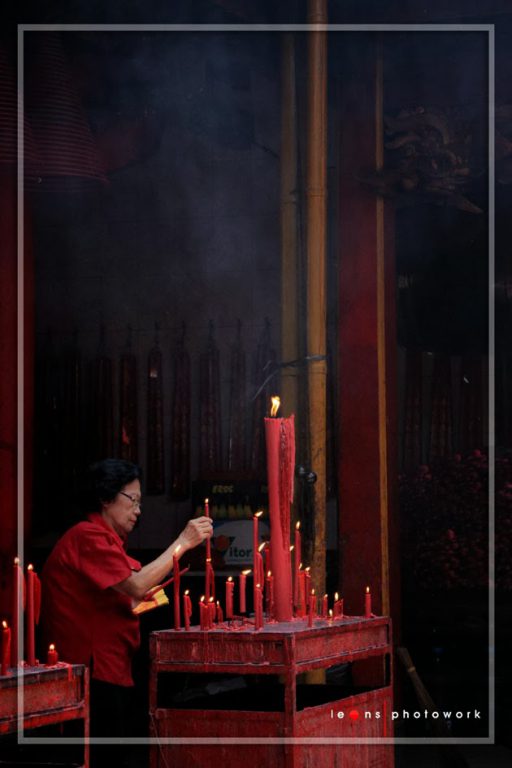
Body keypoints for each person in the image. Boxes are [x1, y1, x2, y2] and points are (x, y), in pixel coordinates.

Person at [41, 458, 213, 767]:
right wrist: (182, 543)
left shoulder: (111, 544)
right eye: (132, 500)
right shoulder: (86, 536)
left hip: (112, 668)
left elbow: (142, 596)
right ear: (106, 498)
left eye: (140, 502)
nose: (138, 510)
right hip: (90, 671)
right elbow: (135, 587)